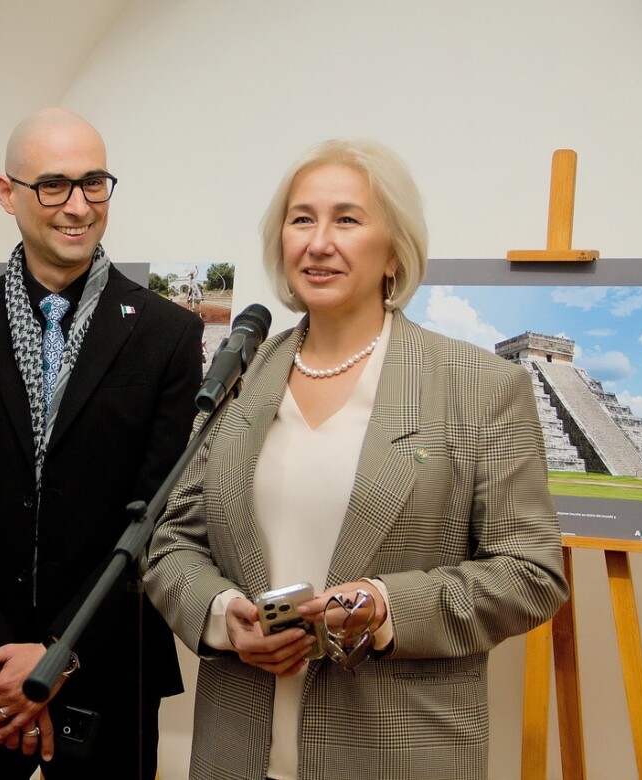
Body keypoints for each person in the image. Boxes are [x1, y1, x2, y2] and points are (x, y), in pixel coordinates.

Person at [144, 139, 568, 780]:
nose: (319, 243)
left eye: (347, 219)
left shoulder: (479, 386)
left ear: (394, 249)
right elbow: (173, 541)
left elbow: (532, 572)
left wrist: (387, 607)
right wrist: (223, 616)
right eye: (302, 219)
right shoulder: (239, 378)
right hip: (236, 751)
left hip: (398, 751)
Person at [0, 107, 203, 779]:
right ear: (7, 193)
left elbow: (156, 519)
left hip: (110, 667)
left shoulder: (167, 336)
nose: (78, 206)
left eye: (94, 183)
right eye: (53, 185)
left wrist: (58, 655)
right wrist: (0, 662)